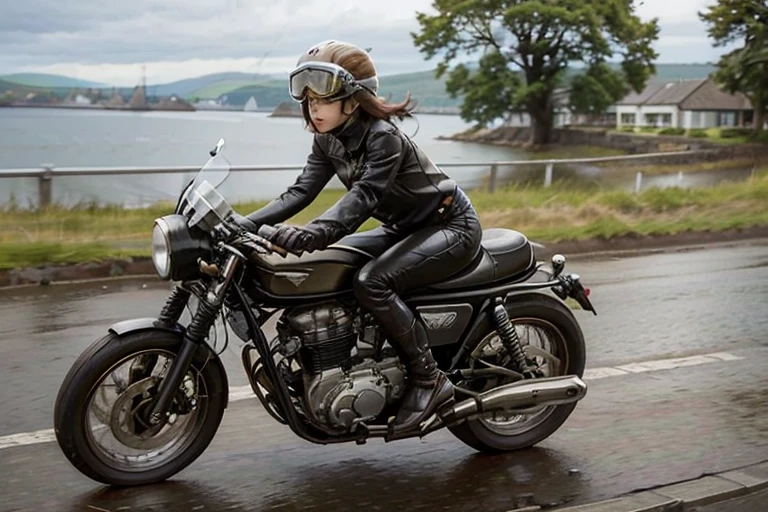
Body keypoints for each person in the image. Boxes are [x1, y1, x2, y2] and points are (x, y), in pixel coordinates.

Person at [235, 40, 483, 435]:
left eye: (322, 96)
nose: (312, 106)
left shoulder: (384, 137)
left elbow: (361, 200)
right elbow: (299, 192)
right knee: (336, 266)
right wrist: (240, 225)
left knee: (373, 281)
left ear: (354, 98)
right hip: (404, 229)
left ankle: (428, 379)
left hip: (449, 226)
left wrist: (309, 234)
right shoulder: (327, 138)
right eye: (307, 96)